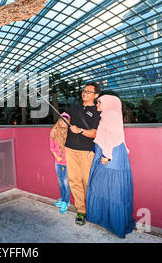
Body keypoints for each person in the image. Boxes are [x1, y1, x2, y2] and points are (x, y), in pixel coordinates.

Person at [86, 95, 136, 238]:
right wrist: (95, 151)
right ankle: (106, 220)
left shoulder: (111, 114)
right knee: (105, 187)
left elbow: (114, 136)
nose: (97, 105)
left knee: (113, 188)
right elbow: (104, 135)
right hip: (107, 152)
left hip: (111, 154)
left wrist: (106, 155)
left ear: (108, 103)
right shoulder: (106, 115)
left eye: (99, 102)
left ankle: (116, 224)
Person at [64, 82, 101, 225]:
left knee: (88, 182)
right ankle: (81, 211)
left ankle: (92, 209)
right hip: (70, 148)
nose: (84, 93)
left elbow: (95, 133)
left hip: (87, 151)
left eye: (88, 92)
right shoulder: (74, 108)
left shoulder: (98, 111)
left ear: (96, 95)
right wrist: (63, 120)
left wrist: (79, 130)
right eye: (83, 91)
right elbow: (66, 117)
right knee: (74, 180)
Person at [49, 112, 71, 214]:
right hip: (57, 161)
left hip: (68, 162)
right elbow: (52, 146)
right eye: (62, 120)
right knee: (61, 182)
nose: (63, 123)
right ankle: (63, 199)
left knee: (66, 183)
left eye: (65, 121)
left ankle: (65, 202)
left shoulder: (70, 134)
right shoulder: (54, 132)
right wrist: (56, 155)